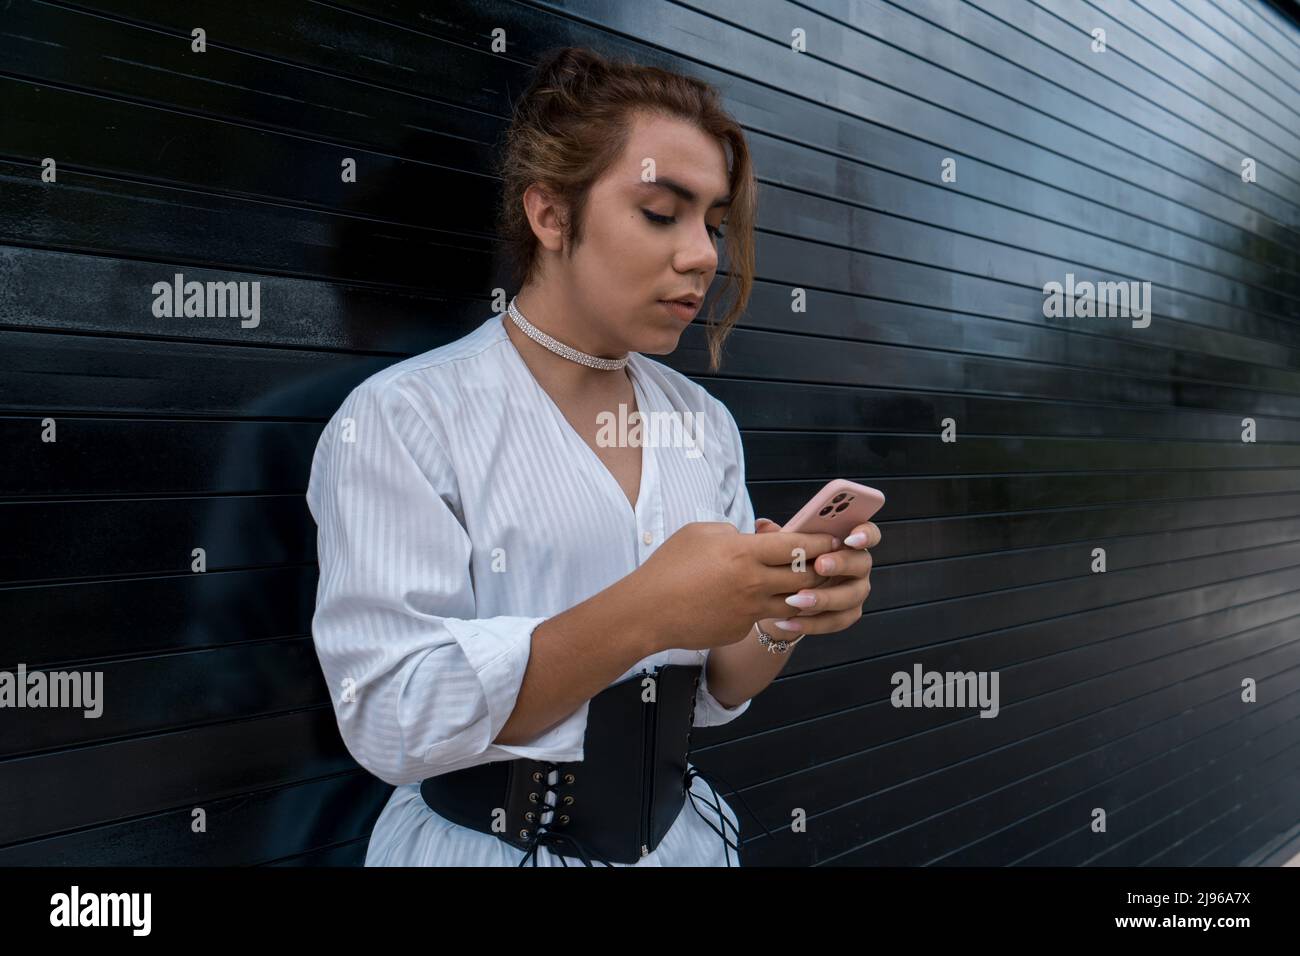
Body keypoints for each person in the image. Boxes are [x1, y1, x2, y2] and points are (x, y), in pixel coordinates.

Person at [305, 46, 880, 867]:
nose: (704, 255)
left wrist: (786, 614)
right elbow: (392, 714)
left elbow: (717, 690)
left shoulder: (702, 423)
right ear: (550, 215)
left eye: (713, 223)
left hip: (679, 844)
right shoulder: (407, 417)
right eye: (660, 212)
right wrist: (646, 608)